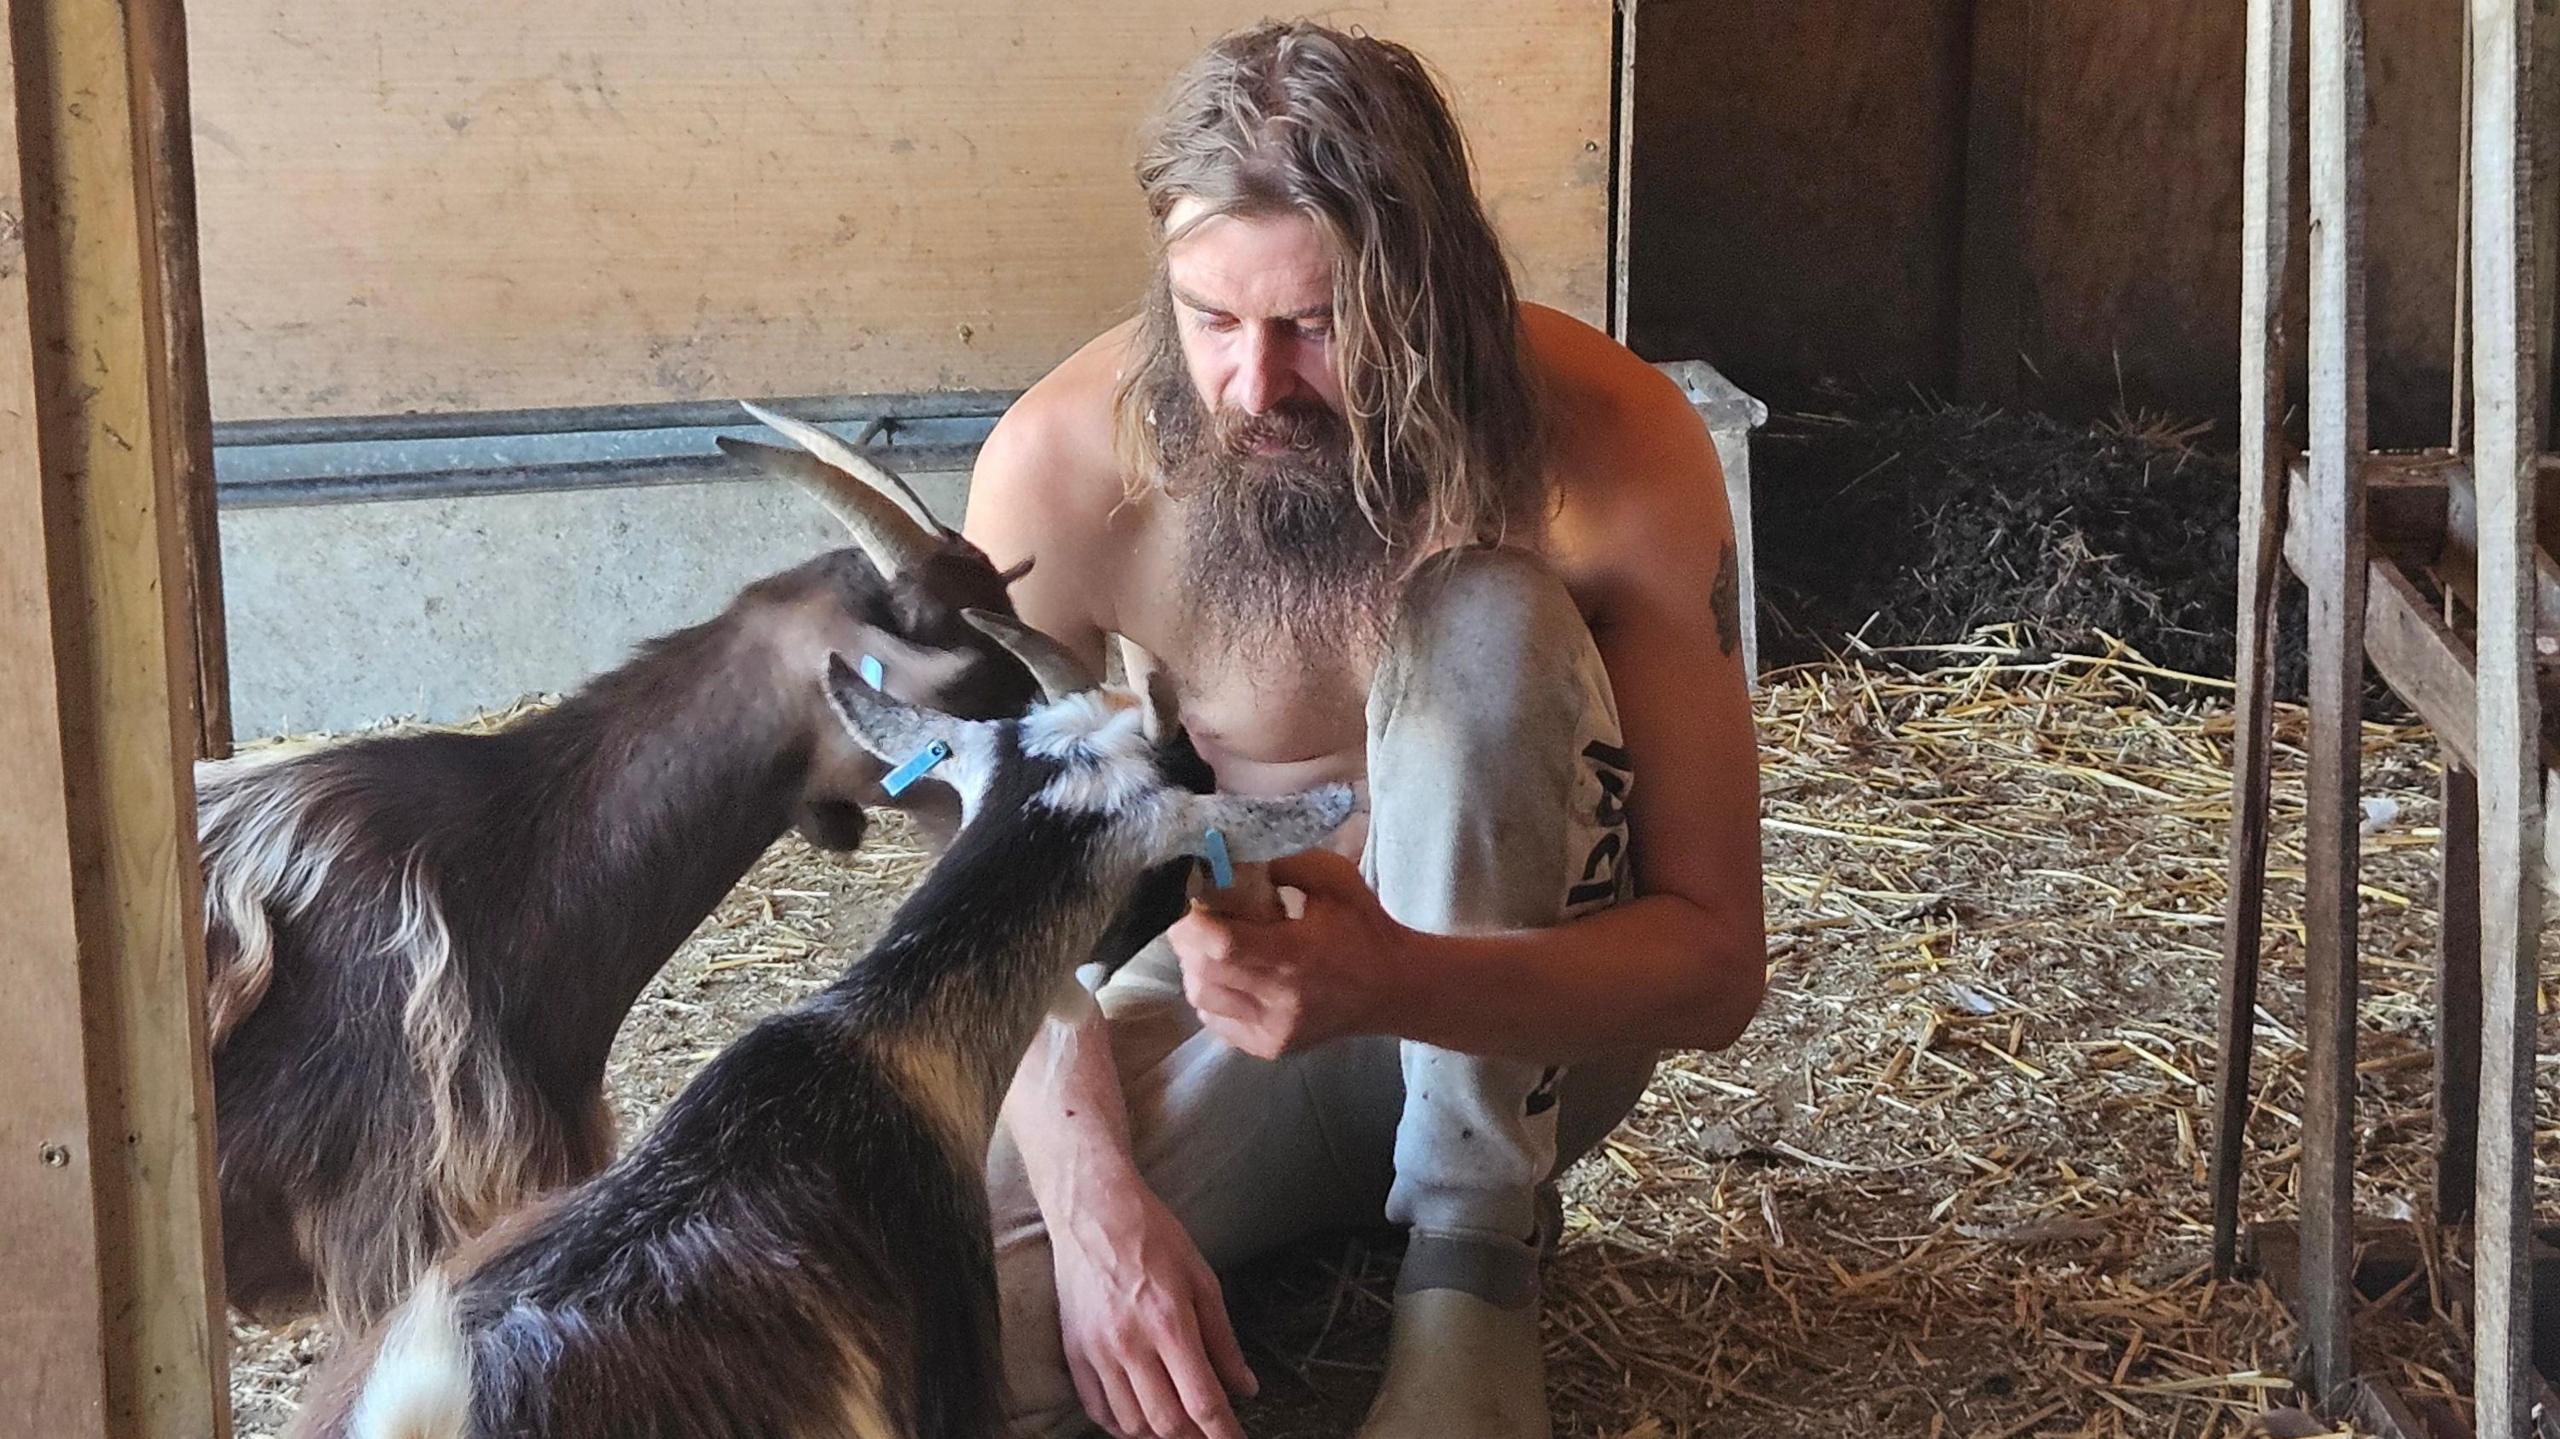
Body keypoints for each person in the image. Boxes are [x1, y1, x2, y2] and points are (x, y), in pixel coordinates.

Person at [959, 20, 1766, 1438]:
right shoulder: (1058, 467)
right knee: (962, 1341)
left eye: (1318, 325)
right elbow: (988, 915)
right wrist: (1096, 1220)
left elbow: (1711, 970)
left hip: (1525, 1028)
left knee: (1482, 621)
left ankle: (1469, 1266)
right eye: (1212, 321)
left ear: (1435, 292)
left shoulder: (1616, 446)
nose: (1256, 388)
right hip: (1242, 1017)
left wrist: (1396, 975)